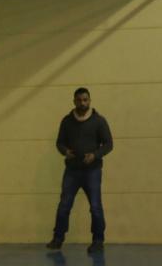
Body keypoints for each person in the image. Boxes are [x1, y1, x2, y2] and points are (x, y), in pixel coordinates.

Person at [46, 87, 114, 254]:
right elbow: (59, 142)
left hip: (92, 171)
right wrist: (65, 151)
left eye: (85, 100)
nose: (82, 103)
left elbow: (108, 144)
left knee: (95, 207)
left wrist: (95, 155)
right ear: (74, 101)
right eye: (79, 100)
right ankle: (58, 239)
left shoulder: (99, 121)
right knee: (64, 205)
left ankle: (98, 241)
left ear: (89, 101)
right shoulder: (67, 121)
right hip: (72, 171)